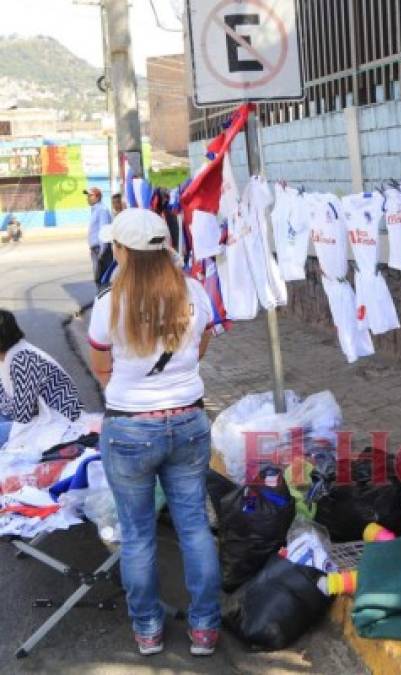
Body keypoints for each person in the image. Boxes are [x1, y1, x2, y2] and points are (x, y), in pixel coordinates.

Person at [88, 209, 221, 657]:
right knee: (194, 527)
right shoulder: (195, 292)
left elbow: (102, 366)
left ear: (123, 252)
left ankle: (148, 630)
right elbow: (201, 346)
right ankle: (205, 629)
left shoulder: (109, 303)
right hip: (188, 421)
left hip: (129, 429)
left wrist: (133, 396)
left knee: (138, 534)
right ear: (164, 249)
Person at [0, 310, 83, 448]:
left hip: (54, 421)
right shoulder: (8, 356)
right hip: (31, 415)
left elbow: (24, 415)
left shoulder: (23, 360)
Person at [86, 187, 112, 288]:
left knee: (103, 278)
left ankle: (104, 301)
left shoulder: (102, 210)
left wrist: (102, 251)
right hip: (96, 250)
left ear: (98, 197)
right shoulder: (95, 210)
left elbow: (104, 230)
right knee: (98, 278)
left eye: (90, 195)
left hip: (101, 250)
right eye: (88, 196)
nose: (88, 198)